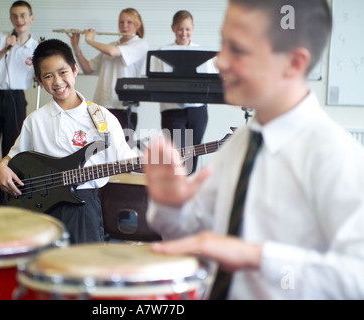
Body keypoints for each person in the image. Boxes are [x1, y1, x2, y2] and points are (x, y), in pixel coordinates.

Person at [145, 0, 364, 299]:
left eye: (237, 49)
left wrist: (256, 256)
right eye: (223, 44)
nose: (219, 61)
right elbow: (199, 238)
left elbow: (357, 278)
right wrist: (171, 206)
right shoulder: (240, 143)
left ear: (294, 63)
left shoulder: (337, 156)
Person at [0, 39, 137, 244]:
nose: (58, 82)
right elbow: (14, 157)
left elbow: (125, 157)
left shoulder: (100, 116)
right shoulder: (35, 120)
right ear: (39, 81)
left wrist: (153, 163)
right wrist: (1, 165)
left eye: (63, 72)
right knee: (43, 266)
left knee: (84, 265)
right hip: (41, 207)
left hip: (83, 206)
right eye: (48, 76)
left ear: (75, 70)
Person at [0, 1, 38, 205]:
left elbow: (37, 77)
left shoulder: (36, 47)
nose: (19, 20)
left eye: (23, 15)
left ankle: (7, 203)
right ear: (11, 19)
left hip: (16, 99)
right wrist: (6, 48)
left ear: (31, 18)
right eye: (14, 16)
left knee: (11, 155)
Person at [153, 10, 218, 174]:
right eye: (180, 29)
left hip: (197, 110)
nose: (184, 33)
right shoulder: (163, 51)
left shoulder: (203, 53)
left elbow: (209, 82)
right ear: (173, 28)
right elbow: (155, 81)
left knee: (192, 158)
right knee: (175, 159)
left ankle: (186, 195)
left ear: (193, 28)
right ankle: (173, 195)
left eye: (187, 29)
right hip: (172, 109)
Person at [68, 8, 149, 133]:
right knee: (100, 150)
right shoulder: (112, 44)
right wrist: (76, 47)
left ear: (138, 25)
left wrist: (90, 40)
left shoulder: (140, 44)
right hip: (101, 107)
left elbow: (113, 52)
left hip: (123, 107)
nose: (124, 26)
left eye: (129, 22)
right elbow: (88, 69)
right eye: (121, 22)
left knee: (121, 151)